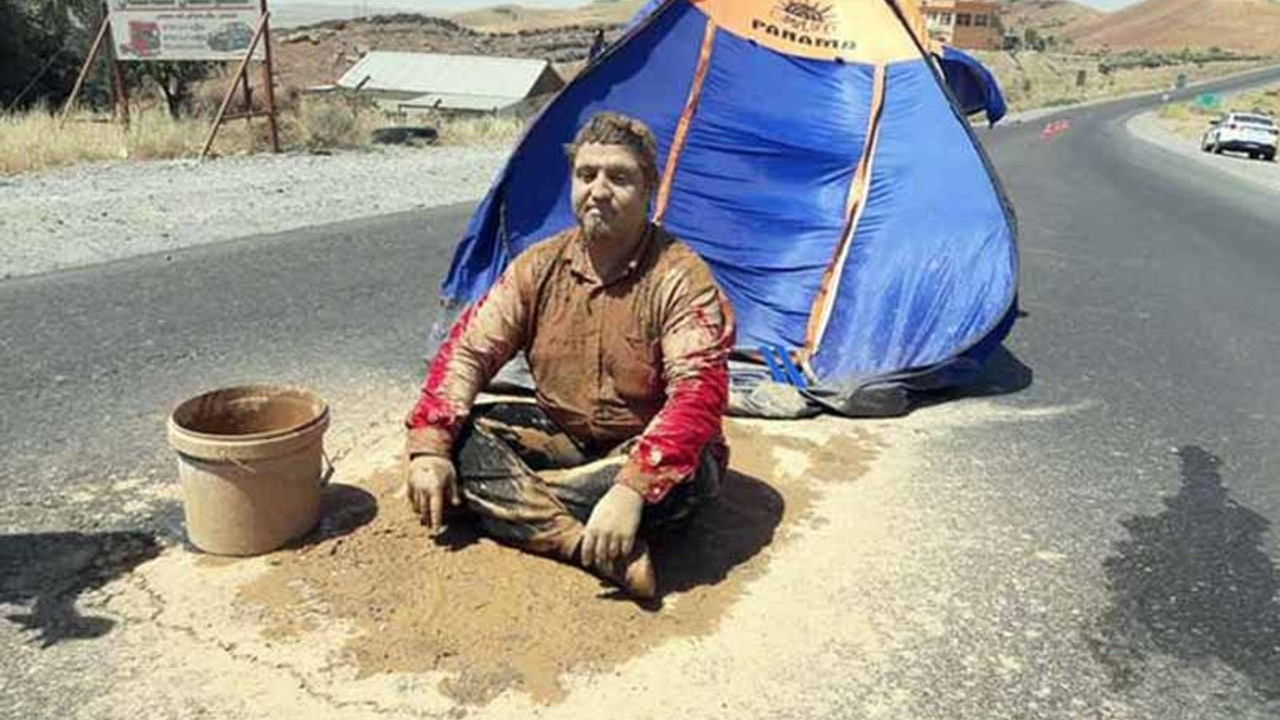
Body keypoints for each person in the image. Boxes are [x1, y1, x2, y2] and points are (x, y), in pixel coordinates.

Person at [404, 112, 734, 599]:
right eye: (586, 175)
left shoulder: (681, 278)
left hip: (645, 445)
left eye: (619, 177)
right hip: (562, 432)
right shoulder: (538, 265)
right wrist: (431, 448)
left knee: (680, 485)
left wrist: (632, 487)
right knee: (454, 443)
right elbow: (468, 353)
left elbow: (697, 396)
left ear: (650, 190)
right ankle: (583, 544)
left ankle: (513, 501)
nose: (598, 191)